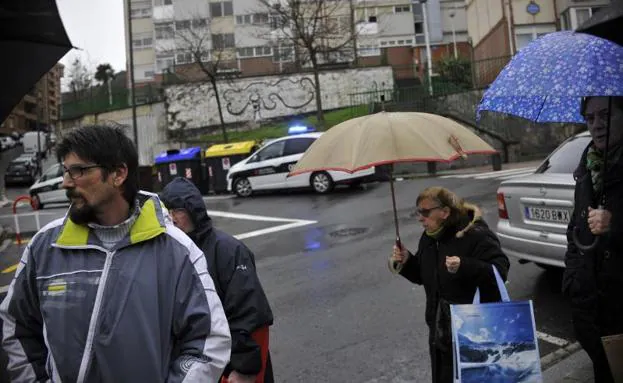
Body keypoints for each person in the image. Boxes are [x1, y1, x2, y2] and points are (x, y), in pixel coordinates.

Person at [0, 125, 231, 382]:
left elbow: (209, 340)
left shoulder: (177, 251)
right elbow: (15, 326)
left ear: (118, 174)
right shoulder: (44, 246)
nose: (66, 182)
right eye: (66, 171)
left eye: (78, 171)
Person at [388, 186, 510, 383]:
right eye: (419, 212)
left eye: (425, 212)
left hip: (471, 334)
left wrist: (464, 266)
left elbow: (500, 271)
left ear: (445, 212)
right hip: (439, 332)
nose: (420, 218)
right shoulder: (429, 237)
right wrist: (407, 261)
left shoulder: (474, 234)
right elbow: (423, 275)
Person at [161, 177, 274, 383]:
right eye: (166, 212)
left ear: (193, 210)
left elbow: (250, 314)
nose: (172, 218)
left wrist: (244, 370)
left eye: (177, 210)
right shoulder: (169, 254)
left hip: (231, 369)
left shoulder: (228, 251)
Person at [563, 96, 623, 383]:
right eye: (590, 118)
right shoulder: (587, 168)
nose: (597, 125)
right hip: (591, 307)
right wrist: (572, 281)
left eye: (605, 115)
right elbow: (574, 231)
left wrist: (616, 225)